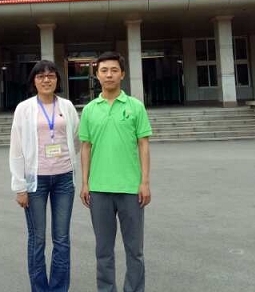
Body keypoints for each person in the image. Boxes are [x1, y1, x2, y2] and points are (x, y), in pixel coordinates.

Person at [79, 51, 152, 292]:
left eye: (113, 70)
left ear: (122, 74)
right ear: (97, 75)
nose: (109, 75)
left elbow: (143, 144)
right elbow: (86, 147)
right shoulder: (90, 110)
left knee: (135, 250)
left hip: (131, 189)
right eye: (104, 70)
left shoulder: (135, 106)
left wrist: (145, 182)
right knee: (103, 250)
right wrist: (85, 183)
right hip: (99, 189)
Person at [9, 59, 81, 292]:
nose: (46, 80)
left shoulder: (67, 106)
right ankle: (40, 288)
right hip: (35, 181)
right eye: (41, 76)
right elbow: (16, 149)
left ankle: (59, 288)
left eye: (51, 75)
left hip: (64, 179)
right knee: (37, 239)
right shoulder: (24, 108)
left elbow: (77, 138)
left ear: (57, 80)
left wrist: (63, 157)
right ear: (34, 81)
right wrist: (19, 186)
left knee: (62, 239)